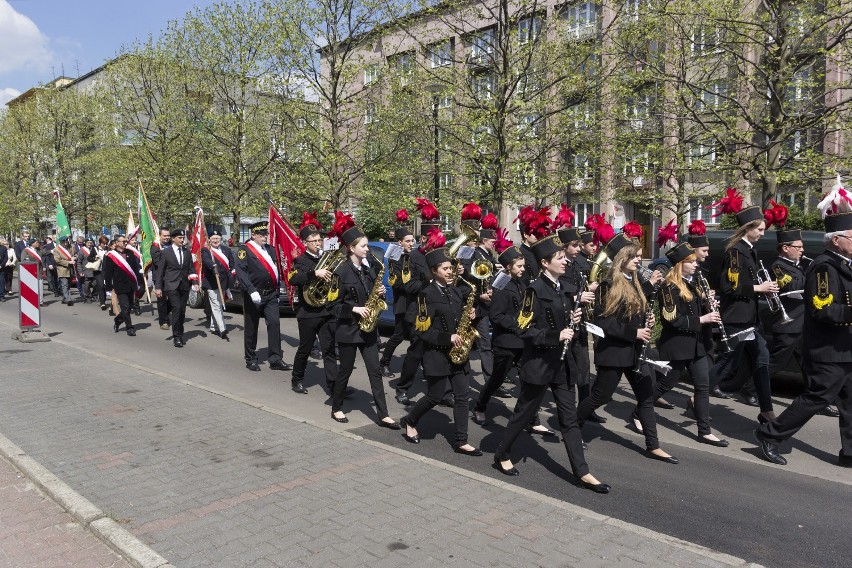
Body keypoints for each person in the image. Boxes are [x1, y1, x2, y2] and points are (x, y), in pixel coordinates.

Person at [492, 235, 610, 493]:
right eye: (559, 258)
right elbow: (523, 329)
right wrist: (555, 335)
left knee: (569, 419)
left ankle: (583, 472)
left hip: (562, 364)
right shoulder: (535, 290)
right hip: (539, 364)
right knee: (523, 414)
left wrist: (574, 318)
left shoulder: (563, 288)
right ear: (545, 263)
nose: (565, 261)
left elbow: (564, 321)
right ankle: (501, 454)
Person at [755, 200, 852, 468]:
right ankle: (769, 434)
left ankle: (850, 452)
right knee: (817, 398)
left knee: (850, 403)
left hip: (846, 348)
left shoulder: (846, 264)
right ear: (836, 240)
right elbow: (822, 308)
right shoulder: (824, 267)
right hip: (827, 350)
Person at [577, 234, 679, 464]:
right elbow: (604, 323)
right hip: (614, 352)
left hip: (636, 353)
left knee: (645, 397)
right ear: (621, 258)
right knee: (600, 396)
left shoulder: (634, 282)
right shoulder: (607, 285)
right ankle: (573, 426)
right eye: (634, 256)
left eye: (640, 257)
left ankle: (653, 446)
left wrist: (646, 323)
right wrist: (633, 332)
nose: (638, 261)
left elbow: (634, 315)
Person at [400, 247, 481, 454]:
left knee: (462, 397)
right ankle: (410, 420)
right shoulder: (425, 295)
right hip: (437, 354)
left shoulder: (455, 290)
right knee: (434, 397)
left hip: (458, 353)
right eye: (445, 268)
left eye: (450, 268)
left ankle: (462, 441)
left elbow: (457, 318)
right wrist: (448, 337)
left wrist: (470, 313)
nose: (450, 271)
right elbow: (422, 331)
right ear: (434, 271)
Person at [649, 242, 728, 446]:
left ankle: (704, 431)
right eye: (690, 262)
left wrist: (708, 304)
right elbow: (672, 319)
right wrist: (703, 319)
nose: (695, 265)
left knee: (702, 386)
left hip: (696, 344)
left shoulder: (693, 282)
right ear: (679, 265)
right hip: (677, 345)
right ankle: (639, 411)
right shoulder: (668, 287)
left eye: (695, 261)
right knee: (667, 384)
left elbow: (694, 310)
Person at [709, 199, 778, 422]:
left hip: (750, 318)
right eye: (759, 229)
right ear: (747, 229)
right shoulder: (735, 252)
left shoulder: (750, 251)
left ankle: (767, 411)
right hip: (737, 318)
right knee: (728, 361)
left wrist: (763, 290)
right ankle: (698, 395)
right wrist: (759, 287)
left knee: (762, 358)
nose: (762, 234)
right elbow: (729, 287)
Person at [327, 215, 399, 429]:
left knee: (375, 371)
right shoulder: (340, 272)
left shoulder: (368, 270)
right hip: (349, 329)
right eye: (364, 246)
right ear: (352, 248)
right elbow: (332, 306)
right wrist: (354, 309)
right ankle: (337, 407)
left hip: (368, 330)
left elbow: (372, 296)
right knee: (345, 371)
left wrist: (380, 292)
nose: (368, 249)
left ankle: (383, 414)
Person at [392, 201, 440, 405]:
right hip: (418, 310)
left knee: (438, 353)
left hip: (438, 310)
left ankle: (442, 393)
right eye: (430, 238)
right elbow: (407, 286)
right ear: (423, 238)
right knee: (416, 353)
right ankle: (403, 387)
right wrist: (427, 280)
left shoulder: (441, 255)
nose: (434, 241)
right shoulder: (411, 257)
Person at [560, 227, 606, 424]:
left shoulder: (578, 264)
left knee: (584, 369)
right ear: (563, 247)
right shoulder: (560, 265)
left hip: (580, 323)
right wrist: (579, 295)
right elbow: (558, 290)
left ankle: (586, 408)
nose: (578, 248)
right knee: (565, 373)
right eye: (574, 245)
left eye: (579, 245)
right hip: (564, 325)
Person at [288, 214, 339, 394]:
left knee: (329, 349)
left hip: (326, 310)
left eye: (320, 240)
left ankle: (334, 386)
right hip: (308, 312)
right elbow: (293, 279)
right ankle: (297, 379)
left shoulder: (327, 258)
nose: (318, 243)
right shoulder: (300, 260)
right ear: (306, 243)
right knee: (305, 348)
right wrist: (314, 274)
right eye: (314, 240)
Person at [235, 222, 291, 371]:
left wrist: (278, 291)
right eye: (261, 235)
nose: (264, 237)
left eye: (265, 234)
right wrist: (251, 290)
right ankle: (251, 358)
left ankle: (275, 359)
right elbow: (241, 273)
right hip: (254, 293)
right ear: (253, 235)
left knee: (274, 324)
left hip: (271, 294)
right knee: (251, 326)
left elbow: (277, 271)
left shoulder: (271, 250)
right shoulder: (245, 251)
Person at [378, 213, 422, 380]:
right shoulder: (395, 258)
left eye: (413, 240)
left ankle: (421, 364)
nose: (412, 243)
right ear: (400, 243)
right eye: (408, 241)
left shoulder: (416, 256)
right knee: (398, 336)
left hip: (416, 303)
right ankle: (384, 363)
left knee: (418, 336)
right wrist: (418, 283)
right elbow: (399, 284)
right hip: (404, 304)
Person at [154, 228, 194, 348]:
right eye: (179, 238)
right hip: (171, 284)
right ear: (173, 238)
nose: (182, 240)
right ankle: (177, 336)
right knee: (176, 308)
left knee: (182, 311)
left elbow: (191, 268)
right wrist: (158, 287)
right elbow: (160, 271)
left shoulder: (187, 252)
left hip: (184, 285)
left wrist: (195, 281)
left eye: (183, 238)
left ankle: (178, 331)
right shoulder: (166, 252)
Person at [103, 235, 141, 336]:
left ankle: (118, 320)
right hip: (120, 285)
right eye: (123, 241)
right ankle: (129, 327)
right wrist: (108, 288)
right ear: (117, 243)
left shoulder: (130, 253)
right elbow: (108, 273)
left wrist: (138, 282)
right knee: (125, 306)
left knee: (129, 307)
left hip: (131, 284)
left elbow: (135, 269)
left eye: (126, 241)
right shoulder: (111, 255)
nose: (125, 243)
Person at [201, 230, 234, 340]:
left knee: (218, 304)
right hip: (211, 282)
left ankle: (213, 326)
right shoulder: (206, 250)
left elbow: (232, 265)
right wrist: (213, 266)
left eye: (218, 238)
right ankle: (222, 328)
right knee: (216, 305)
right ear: (209, 240)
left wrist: (233, 274)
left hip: (224, 282)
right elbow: (206, 260)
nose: (215, 240)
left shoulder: (227, 250)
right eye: (213, 238)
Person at [151, 228, 172, 329]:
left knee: (173, 298)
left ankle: (165, 313)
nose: (167, 237)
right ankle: (163, 321)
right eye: (165, 236)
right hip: (160, 277)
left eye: (168, 235)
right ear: (159, 236)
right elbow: (157, 262)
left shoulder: (172, 245)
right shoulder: (155, 247)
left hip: (171, 276)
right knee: (162, 300)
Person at [53, 237, 76, 306]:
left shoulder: (69, 248)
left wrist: (74, 257)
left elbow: (75, 254)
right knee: (64, 285)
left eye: (66, 242)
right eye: (64, 242)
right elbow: (57, 260)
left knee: (68, 285)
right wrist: (68, 262)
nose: (66, 243)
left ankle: (64, 298)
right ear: (61, 242)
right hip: (62, 269)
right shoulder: (56, 249)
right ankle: (69, 300)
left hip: (70, 269)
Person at [89, 236, 109, 309]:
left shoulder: (108, 250)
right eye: (104, 243)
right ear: (100, 243)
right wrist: (95, 258)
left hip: (106, 271)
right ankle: (102, 303)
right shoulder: (95, 249)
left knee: (105, 286)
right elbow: (89, 258)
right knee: (101, 285)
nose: (105, 245)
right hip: (98, 270)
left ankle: (103, 299)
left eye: (106, 243)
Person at [75, 237, 95, 302]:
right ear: (85, 243)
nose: (89, 244)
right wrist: (80, 271)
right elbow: (79, 262)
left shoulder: (94, 249)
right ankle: (88, 296)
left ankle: (94, 294)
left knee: (96, 284)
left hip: (94, 270)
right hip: (86, 270)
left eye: (91, 243)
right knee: (87, 285)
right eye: (88, 243)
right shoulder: (82, 251)